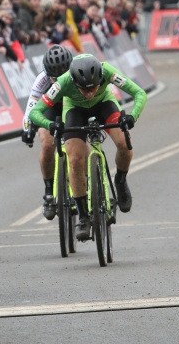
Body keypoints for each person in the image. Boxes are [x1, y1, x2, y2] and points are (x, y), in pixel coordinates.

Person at [29, 54, 147, 240]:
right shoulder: (63, 82)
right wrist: (50, 125)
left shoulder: (107, 70)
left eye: (93, 87)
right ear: (74, 81)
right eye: (84, 89)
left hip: (104, 105)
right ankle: (83, 216)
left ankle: (121, 181)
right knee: (74, 159)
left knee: (124, 143)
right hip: (75, 111)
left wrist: (132, 116)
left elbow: (139, 93)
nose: (90, 93)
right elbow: (35, 112)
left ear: (100, 78)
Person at [21, 45, 73, 220]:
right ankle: (49, 193)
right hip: (49, 108)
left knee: (79, 143)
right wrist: (27, 128)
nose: (57, 81)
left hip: (72, 105)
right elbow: (31, 105)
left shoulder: (77, 72)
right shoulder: (42, 79)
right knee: (47, 143)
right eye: (53, 77)